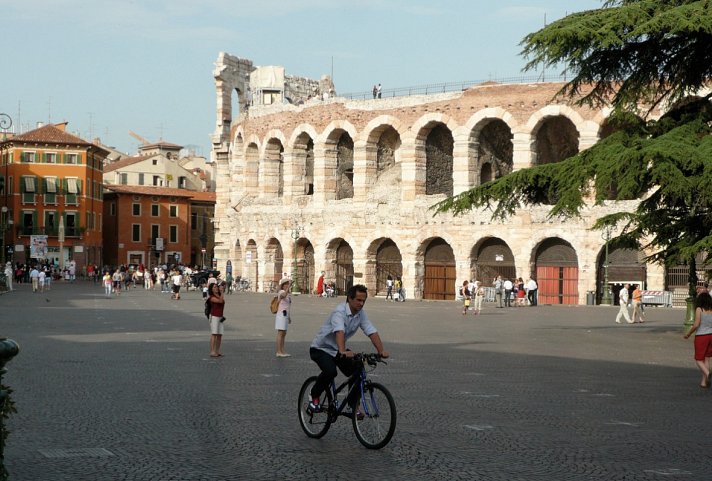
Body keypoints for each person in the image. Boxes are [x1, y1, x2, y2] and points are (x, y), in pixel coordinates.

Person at [307, 284, 389, 414]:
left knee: (358, 368)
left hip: (338, 350)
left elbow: (371, 331)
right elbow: (339, 331)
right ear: (349, 299)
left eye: (364, 301)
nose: (361, 304)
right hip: (321, 348)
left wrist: (381, 351)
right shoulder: (339, 312)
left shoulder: (360, 314)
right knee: (330, 371)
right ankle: (314, 395)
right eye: (359, 300)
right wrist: (343, 351)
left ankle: (353, 404)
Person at [683, 292, 712, 388]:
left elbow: (696, 324)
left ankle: (708, 373)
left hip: (701, 336)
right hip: (711, 335)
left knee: (699, 359)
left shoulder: (699, 309)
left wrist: (688, 334)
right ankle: (704, 382)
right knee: (707, 358)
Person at [275, 278, 293, 357]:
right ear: (282, 285)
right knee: (280, 333)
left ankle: (282, 350)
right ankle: (279, 351)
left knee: (284, 333)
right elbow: (283, 296)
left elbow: (287, 306)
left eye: (287, 284)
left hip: (285, 315)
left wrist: (289, 317)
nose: (286, 286)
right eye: (285, 284)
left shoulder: (287, 294)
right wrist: (289, 286)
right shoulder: (281, 292)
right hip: (281, 315)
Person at [207, 282, 225, 357]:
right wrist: (222, 292)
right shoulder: (211, 297)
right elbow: (220, 301)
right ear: (211, 289)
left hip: (220, 317)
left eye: (216, 287)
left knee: (220, 334)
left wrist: (221, 293)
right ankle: (212, 351)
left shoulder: (219, 295)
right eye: (214, 287)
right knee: (214, 334)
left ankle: (217, 351)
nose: (216, 288)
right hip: (214, 316)